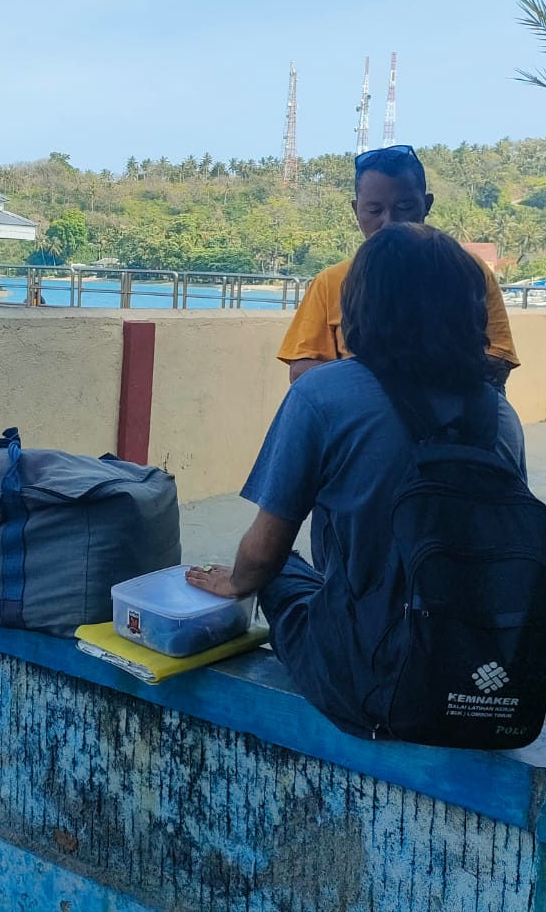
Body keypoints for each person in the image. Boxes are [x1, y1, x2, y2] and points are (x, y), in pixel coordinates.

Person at [188, 224, 526, 703]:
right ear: (471, 310)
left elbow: (264, 551)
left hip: (365, 680)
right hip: (474, 675)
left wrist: (238, 581)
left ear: (362, 306)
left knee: (280, 570)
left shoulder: (323, 393)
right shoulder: (499, 414)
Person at [277, 144, 519, 386]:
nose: (389, 221)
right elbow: (301, 370)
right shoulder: (330, 282)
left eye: (404, 207)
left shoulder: (468, 272)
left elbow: (499, 359)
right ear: (356, 210)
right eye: (374, 209)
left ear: (427, 204)